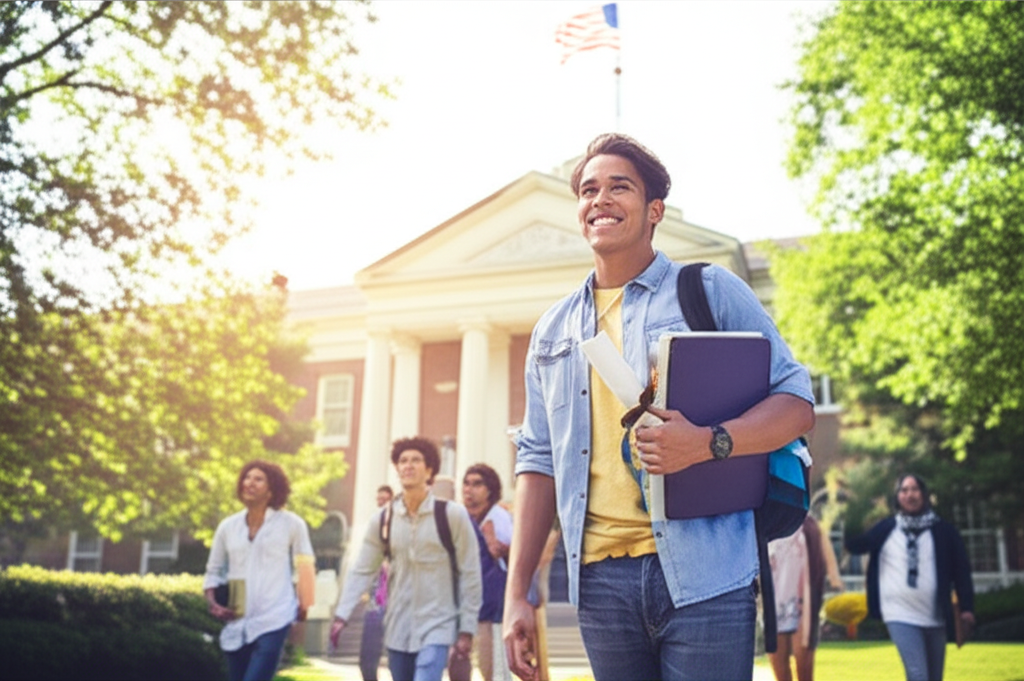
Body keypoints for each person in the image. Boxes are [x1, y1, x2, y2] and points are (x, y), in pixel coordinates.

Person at [503, 132, 816, 681]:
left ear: (654, 210)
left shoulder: (708, 291)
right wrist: (517, 593)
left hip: (708, 574)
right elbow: (537, 461)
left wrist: (707, 443)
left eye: (618, 187)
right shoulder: (552, 330)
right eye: (588, 190)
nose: (599, 199)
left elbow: (796, 401)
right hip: (600, 584)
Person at [330, 437, 482, 681]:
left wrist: (467, 627)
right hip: (397, 627)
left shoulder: (451, 515)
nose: (408, 465)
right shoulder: (383, 520)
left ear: (429, 469)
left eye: (416, 460)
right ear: (397, 468)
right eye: (402, 461)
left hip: (438, 624)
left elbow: (470, 573)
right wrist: (342, 614)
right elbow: (362, 570)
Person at [845, 473, 975, 681]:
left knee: (934, 677)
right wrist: (854, 511)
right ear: (897, 497)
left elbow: (961, 571)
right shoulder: (886, 529)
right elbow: (854, 545)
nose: (909, 495)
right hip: (899, 613)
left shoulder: (944, 531)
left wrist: (967, 608)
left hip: (935, 615)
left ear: (924, 495)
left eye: (915, 490)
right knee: (917, 674)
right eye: (904, 490)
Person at [203, 460, 315, 681]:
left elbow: (305, 566)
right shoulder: (228, 526)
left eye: (258, 479)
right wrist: (213, 603)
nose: (249, 483)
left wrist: (304, 607)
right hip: (237, 618)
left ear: (271, 489)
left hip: (275, 616)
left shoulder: (291, 524)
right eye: (246, 478)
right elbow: (213, 570)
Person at [767, 515, 843, 681]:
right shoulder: (767, 524)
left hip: (803, 607)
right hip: (773, 608)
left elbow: (829, 558)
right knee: (780, 670)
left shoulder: (810, 525)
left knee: (804, 669)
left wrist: (836, 583)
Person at [462, 464, 513, 681]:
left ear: (490, 490)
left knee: (494, 666)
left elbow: (514, 552)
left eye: (477, 484)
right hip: (476, 603)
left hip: (495, 606)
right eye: (466, 483)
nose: (469, 489)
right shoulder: (467, 517)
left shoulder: (497, 516)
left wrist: (494, 542)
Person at [359, 484, 394, 681]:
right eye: (378, 500)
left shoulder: (399, 528)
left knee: (398, 660)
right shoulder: (373, 531)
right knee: (367, 659)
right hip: (374, 606)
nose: (381, 504)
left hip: (396, 606)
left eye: (385, 500)